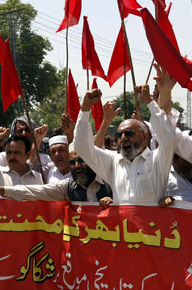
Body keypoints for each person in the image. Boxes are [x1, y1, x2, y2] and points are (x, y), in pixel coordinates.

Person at [73, 65, 177, 204]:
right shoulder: (113, 163)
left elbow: (167, 136)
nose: (123, 138)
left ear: (145, 136)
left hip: (153, 225)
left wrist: (149, 102)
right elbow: (82, 147)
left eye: (129, 133)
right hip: (123, 226)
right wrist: (85, 109)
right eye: (119, 135)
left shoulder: (158, 159)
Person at [0, 150, 113, 206]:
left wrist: (114, 203)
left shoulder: (110, 183)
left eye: (81, 160)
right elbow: (33, 191)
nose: (77, 166)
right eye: (72, 163)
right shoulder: (67, 187)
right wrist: (1, 191)